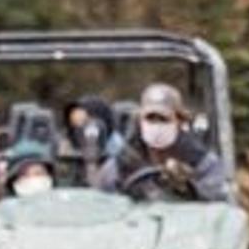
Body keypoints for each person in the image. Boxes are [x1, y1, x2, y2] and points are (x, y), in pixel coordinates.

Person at [93, 83, 228, 202]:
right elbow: (102, 203)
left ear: (179, 121)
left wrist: (188, 188)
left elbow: (217, 201)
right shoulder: (122, 162)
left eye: (163, 119)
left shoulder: (201, 161)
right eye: (150, 119)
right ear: (140, 121)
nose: (156, 126)